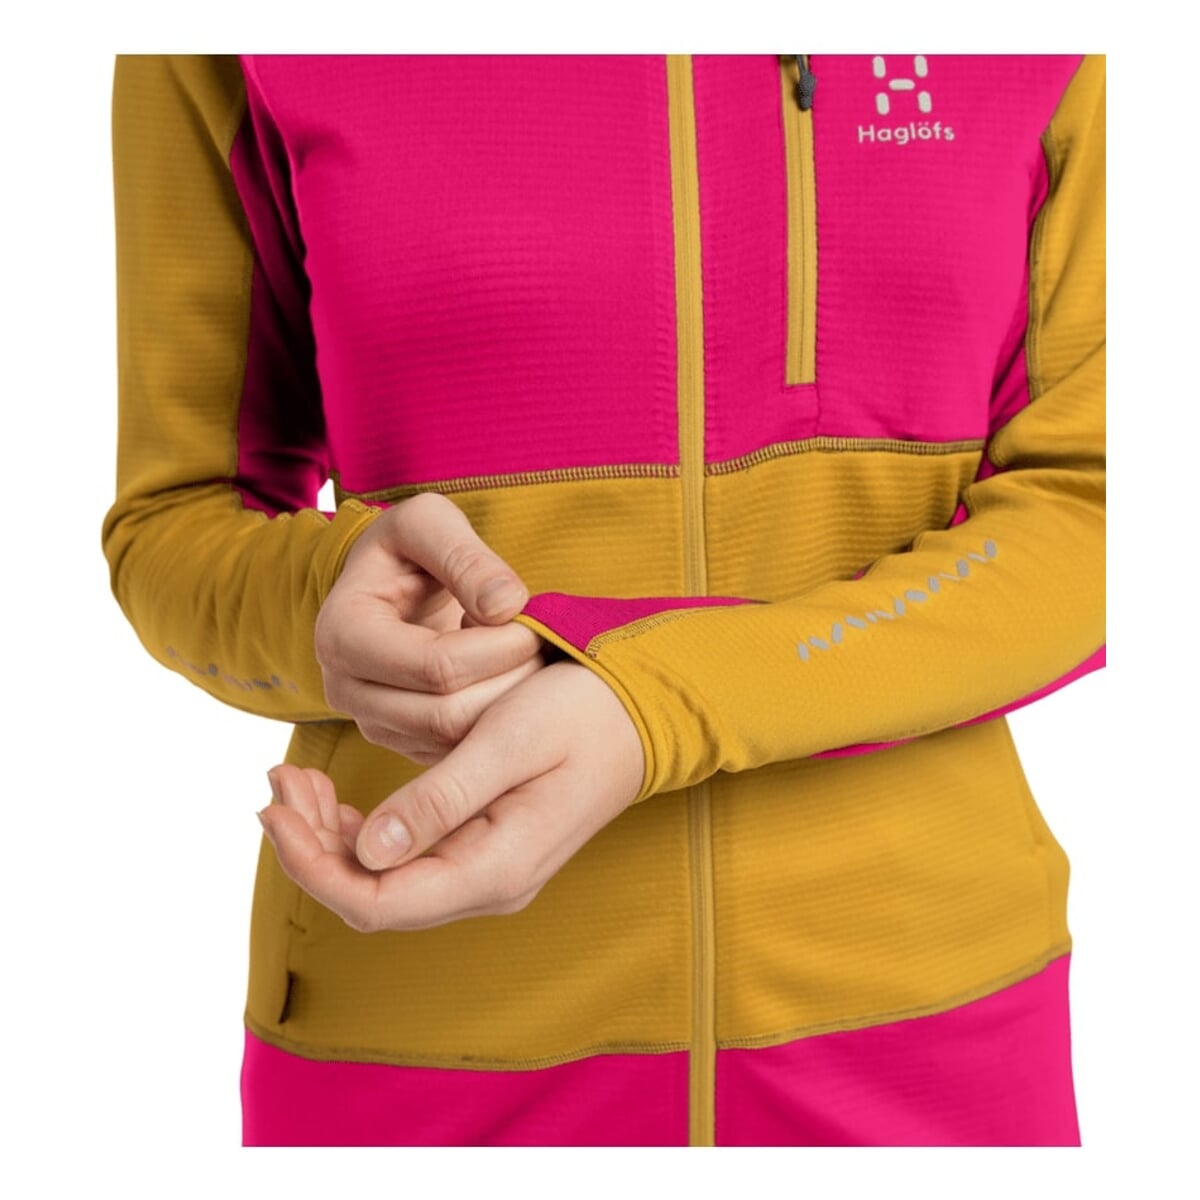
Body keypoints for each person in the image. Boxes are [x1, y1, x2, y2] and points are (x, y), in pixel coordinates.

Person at [104, 53, 1105, 1146]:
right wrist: (323, 597)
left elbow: (1100, 502)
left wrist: (659, 701)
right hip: (422, 1031)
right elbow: (180, 520)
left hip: (932, 1032)